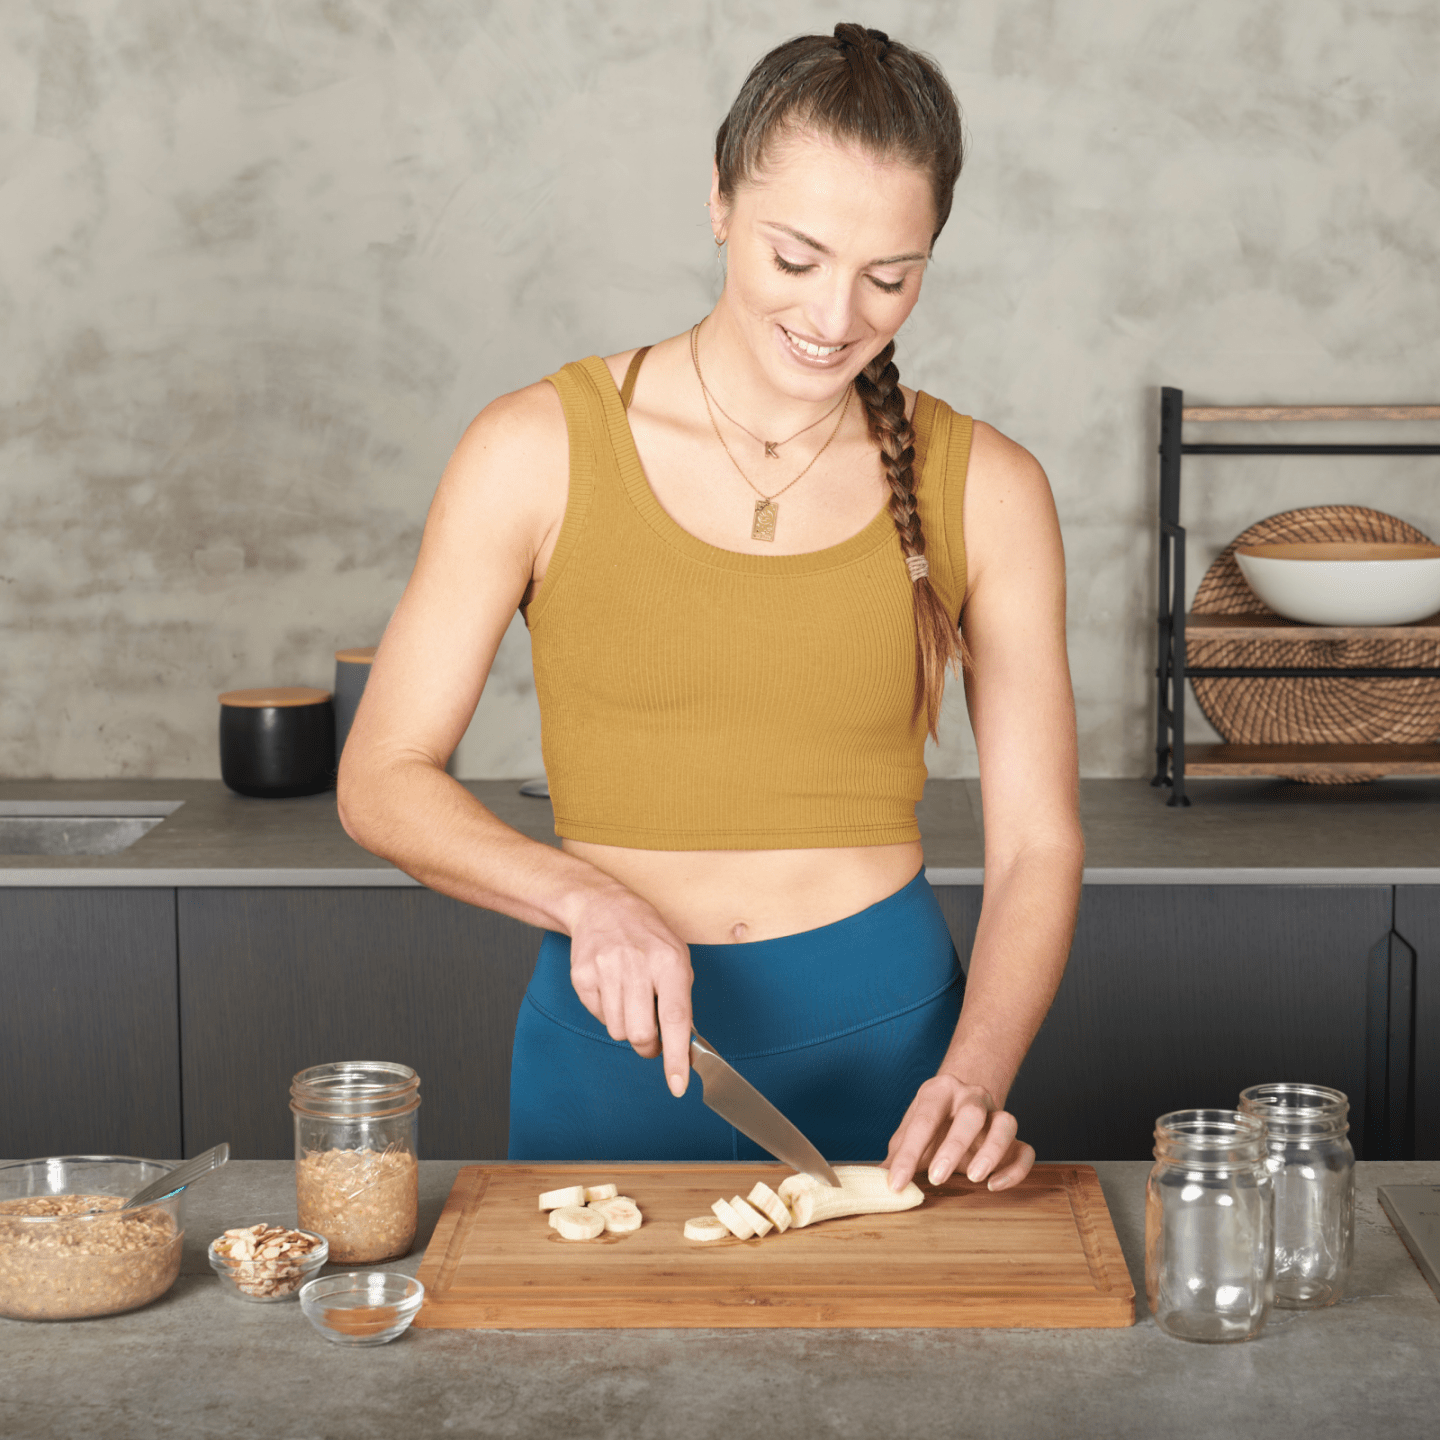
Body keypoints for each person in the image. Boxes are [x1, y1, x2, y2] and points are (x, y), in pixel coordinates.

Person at [338, 23, 1082, 1194]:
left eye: (890, 277)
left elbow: (1038, 844)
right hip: (613, 1043)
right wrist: (583, 897)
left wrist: (975, 1075)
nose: (837, 317)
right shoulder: (533, 448)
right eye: (798, 258)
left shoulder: (987, 485)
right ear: (721, 204)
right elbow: (381, 775)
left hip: (894, 1051)